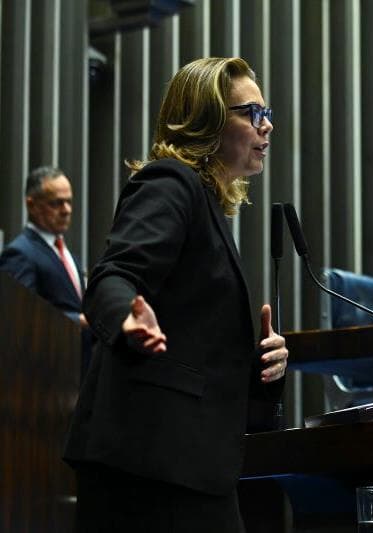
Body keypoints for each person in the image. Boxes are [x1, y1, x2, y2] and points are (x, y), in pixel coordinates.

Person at [62, 57, 288, 532]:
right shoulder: (171, 182)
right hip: (149, 466)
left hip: (188, 464)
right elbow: (113, 275)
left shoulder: (205, 203)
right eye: (252, 113)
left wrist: (264, 365)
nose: (266, 127)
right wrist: (126, 319)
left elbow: (197, 343)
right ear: (207, 120)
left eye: (267, 113)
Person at [0, 166, 85, 325]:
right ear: (32, 205)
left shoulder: (67, 253)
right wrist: (79, 321)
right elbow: (18, 313)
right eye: (56, 203)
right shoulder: (19, 253)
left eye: (69, 201)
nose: (66, 210)